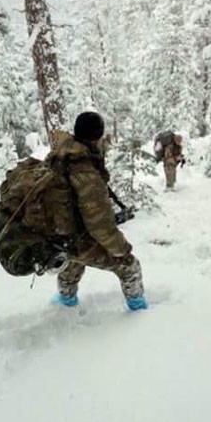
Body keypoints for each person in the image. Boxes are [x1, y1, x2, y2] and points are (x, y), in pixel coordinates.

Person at [49, 111, 147, 309]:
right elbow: (100, 227)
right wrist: (122, 249)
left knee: (73, 261)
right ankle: (139, 309)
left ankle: (65, 302)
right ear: (97, 136)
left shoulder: (61, 155)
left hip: (58, 236)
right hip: (75, 239)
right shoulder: (85, 174)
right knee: (129, 266)